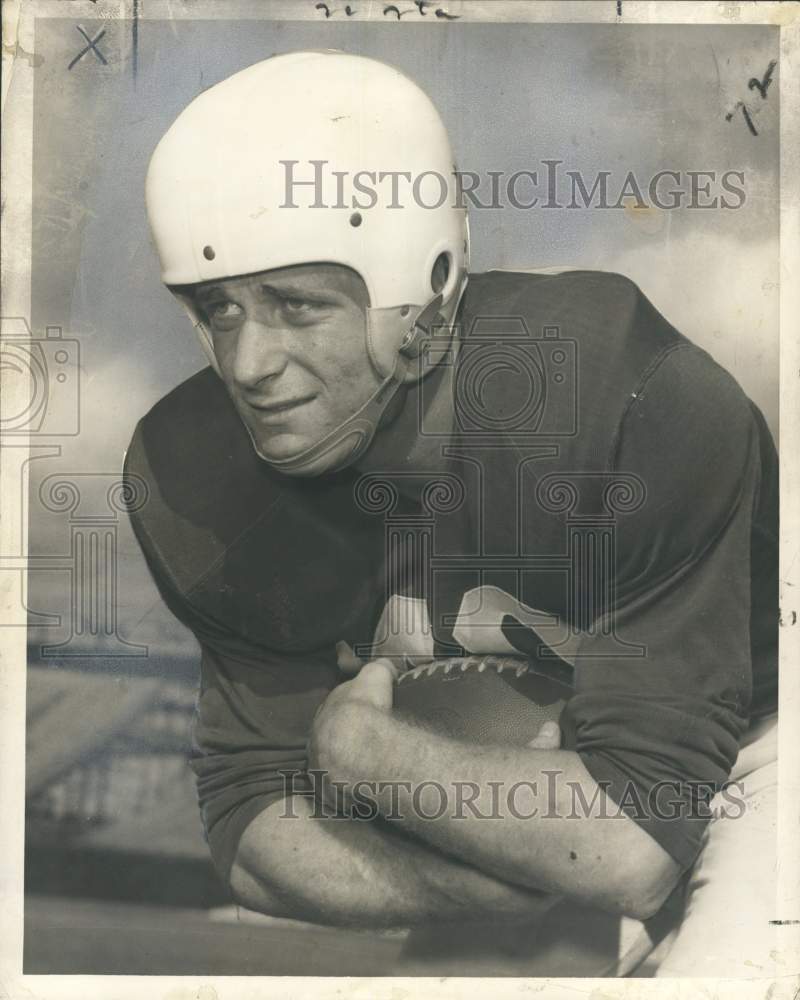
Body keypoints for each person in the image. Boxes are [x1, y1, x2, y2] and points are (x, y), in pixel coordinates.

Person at [126, 51, 779, 977]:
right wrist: (475, 882)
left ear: (424, 285)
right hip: (491, 810)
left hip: (744, 762)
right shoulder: (195, 470)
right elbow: (247, 817)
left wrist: (365, 756)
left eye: (297, 306)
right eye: (217, 310)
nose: (246, 363)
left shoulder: (624, 396)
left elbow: (634, 841)